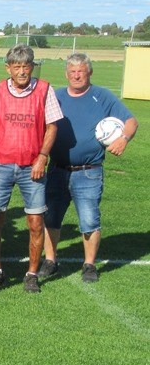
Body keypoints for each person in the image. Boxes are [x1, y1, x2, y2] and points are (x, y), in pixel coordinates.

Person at [41, 53, 138, 283]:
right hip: (57, 170)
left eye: (81, 71)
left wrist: (124, 138)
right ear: (66, 74)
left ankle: (89, 265)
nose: (76, 76)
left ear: (89, 73)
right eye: (72, 71)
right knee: (51, 217)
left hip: (88, 171)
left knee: (89, 220)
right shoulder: (56, 97)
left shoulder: (102, 96)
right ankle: (50, 261)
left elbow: (131, 121)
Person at [0, 44, 63, 293]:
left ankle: (32, 274)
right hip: (2, 165)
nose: (22, 71)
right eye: (16, 67)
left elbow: (52, 126)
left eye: (26, 66)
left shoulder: (45, 89)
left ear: (32, 66)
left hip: (32, 168)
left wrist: (42, 157)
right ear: (8, 68)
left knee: (35, 222)